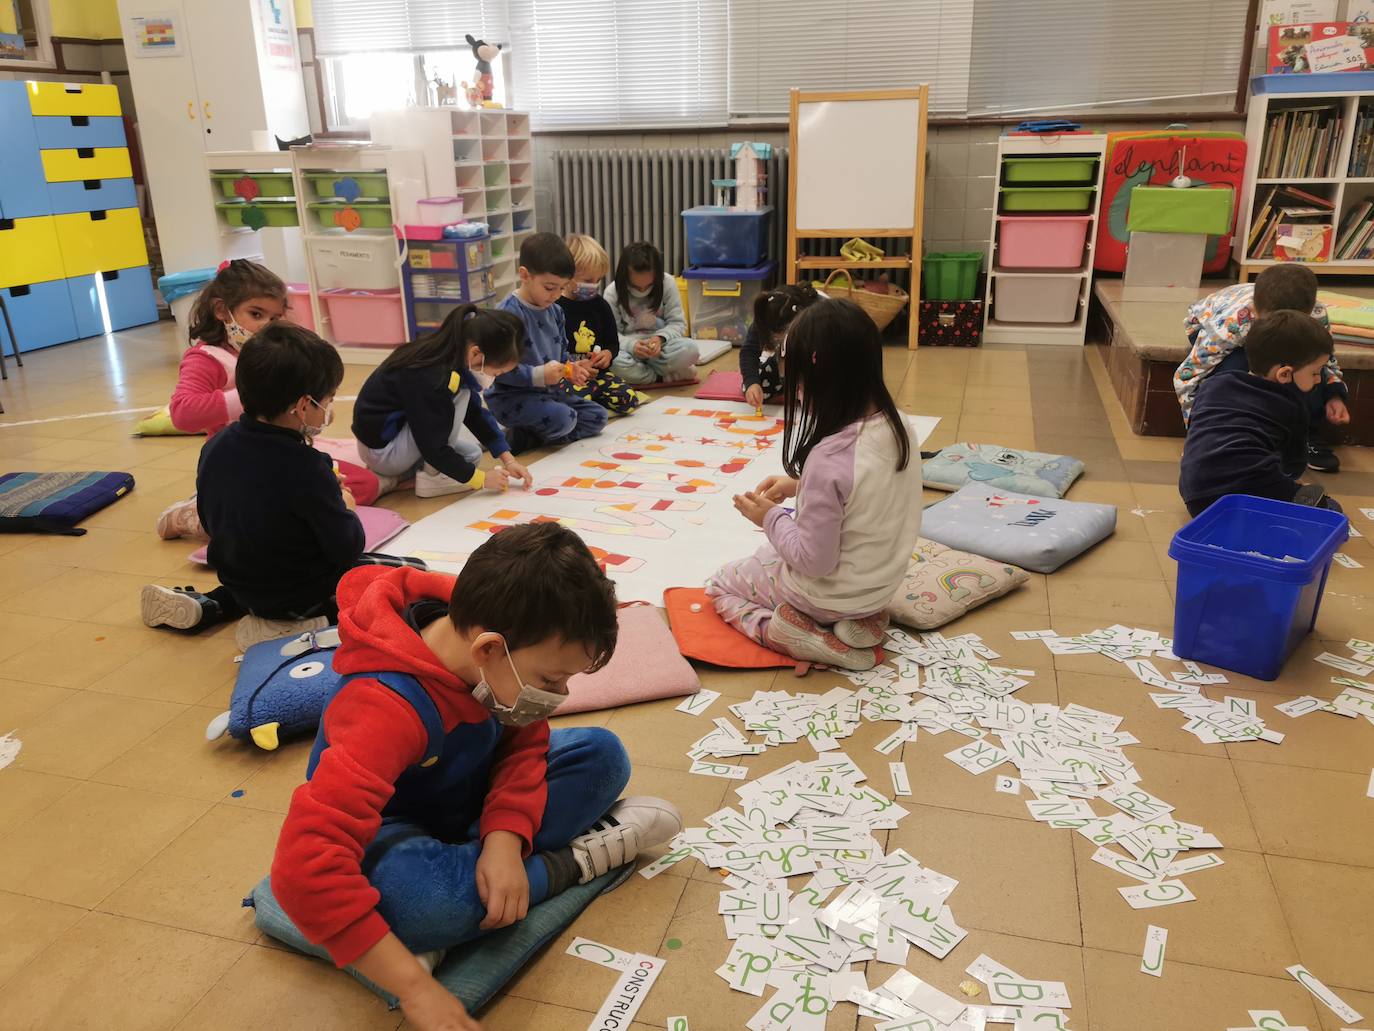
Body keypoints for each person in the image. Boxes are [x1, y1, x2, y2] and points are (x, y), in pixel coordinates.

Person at [268, 522, 682, 1031]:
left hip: (469, 793)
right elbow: (301, 869)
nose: (560, 696)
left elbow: (525, 743)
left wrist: (504, 841)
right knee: (424, 906)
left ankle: (485, 874)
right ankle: (569, 864)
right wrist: (414, 988)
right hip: (400, 833)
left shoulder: (492, 648)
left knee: (604, 754)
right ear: (488, 650)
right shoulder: (383, 707)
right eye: (552, 680)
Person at [140, 324, 421, 651]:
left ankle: (211, 605)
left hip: (238, 580)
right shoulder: (306, 466)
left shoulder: (216, 445)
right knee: (402, 578)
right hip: (298, 593)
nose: (329, 408)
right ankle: (304, 624)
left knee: (262, 567)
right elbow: (348, 546)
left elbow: (210, 516)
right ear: (303, 406)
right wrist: (344, 504)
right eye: (327, 400)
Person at [706, 298, 921, 671]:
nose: (798, 395)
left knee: (722, 582)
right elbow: (865, 491)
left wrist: (769, 517)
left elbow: (814, 561)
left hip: (828, 592)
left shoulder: (829, 457)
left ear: (827, 380)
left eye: (800, 385)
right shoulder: (899, 425)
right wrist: (799, 485)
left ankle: (789, 634)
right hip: (880, 587)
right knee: (770, 555)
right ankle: (857, 622)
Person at [155, 259, 287, 540]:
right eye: (256, 314)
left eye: (275, 318)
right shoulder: (207, 359)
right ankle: (190, 515)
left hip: (275, 454)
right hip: (234, 465)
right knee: (256, 522)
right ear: (221, 310)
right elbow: (182, 413)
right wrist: (251, 396)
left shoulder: (266, 353)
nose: (267, 326)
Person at [1175, 263, 1350, 471]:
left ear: (1309, 313)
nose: (1281, 328)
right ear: (1256, 310)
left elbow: (1325, 359)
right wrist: (1199, 433)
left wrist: (1334, 394)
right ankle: (1235, 429)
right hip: (1213, 326)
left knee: (1308, 368)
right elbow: (1187, 377)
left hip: (1265, 338)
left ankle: (1304, 436)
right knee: (1235, 370)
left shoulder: (1316, 317)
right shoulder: (1232, 324)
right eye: (1272, 321)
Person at [352, 305, 534, 498]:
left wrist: (508, 459)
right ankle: (431, 477)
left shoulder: (447, 354)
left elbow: (474, 413)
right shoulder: (435, 377)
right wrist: (482, 480)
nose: (493, 379)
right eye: (496, 373)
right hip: (383, 451)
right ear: (475, 354)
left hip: (394, 440)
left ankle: (398, 478)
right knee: (460, 399)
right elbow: (434, 446)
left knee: (472, 455)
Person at [1179, 310, 1342, 518]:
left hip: (1196, 496)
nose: (1318, 380)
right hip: (1248, 497)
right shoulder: (1292, 406)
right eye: (1315, 372)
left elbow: (1196, 430)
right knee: (1332, 509)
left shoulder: (1214, 384)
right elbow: (1294, 464)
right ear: (1284, 374)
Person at [489, 233, 608, 453]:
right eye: (549, 287)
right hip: (513, 398)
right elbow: (497, 370)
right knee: (565, 418)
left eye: (562, 288)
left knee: (598, 417)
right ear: (525, 275)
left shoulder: (556, 311)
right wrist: (540, 375)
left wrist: (572, 368)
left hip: (551, 394)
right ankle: (521, 434)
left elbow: (561, 355)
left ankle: (531, 436)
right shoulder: (508, 314)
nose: (556, 295)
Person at [555, 233, 642, 417]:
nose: (593, 286)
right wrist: (573, 367)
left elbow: (613, 342)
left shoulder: (600, 306)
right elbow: (551, 354)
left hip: (598, 376)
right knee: (572, 401)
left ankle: (592, 400)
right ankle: (589, 404)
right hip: (569, 376)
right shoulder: (555, 308)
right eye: (588, 281)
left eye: (598, 280)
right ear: (567, 276)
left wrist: (608, 354)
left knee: (629, 399)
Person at [603, 241, 700, 386]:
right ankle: (664, 377)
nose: (642, 290)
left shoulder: (668, 283)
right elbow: (611, 336)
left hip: (662, 349)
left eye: (649, 285)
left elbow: (678, 324)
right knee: (613, 362)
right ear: (625, 277)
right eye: (635, 286)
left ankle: (641, 375)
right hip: (630, 351)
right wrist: (633, 345)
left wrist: (660, 338)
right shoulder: (612, 292)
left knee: (691, 350)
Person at [740, 283, 820, 411]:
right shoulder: (765, 315)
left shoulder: (816, 318)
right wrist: (752, 383)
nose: (777, 340)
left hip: (820, 364)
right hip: (789, 363)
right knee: (755, 386)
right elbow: (749, 351)